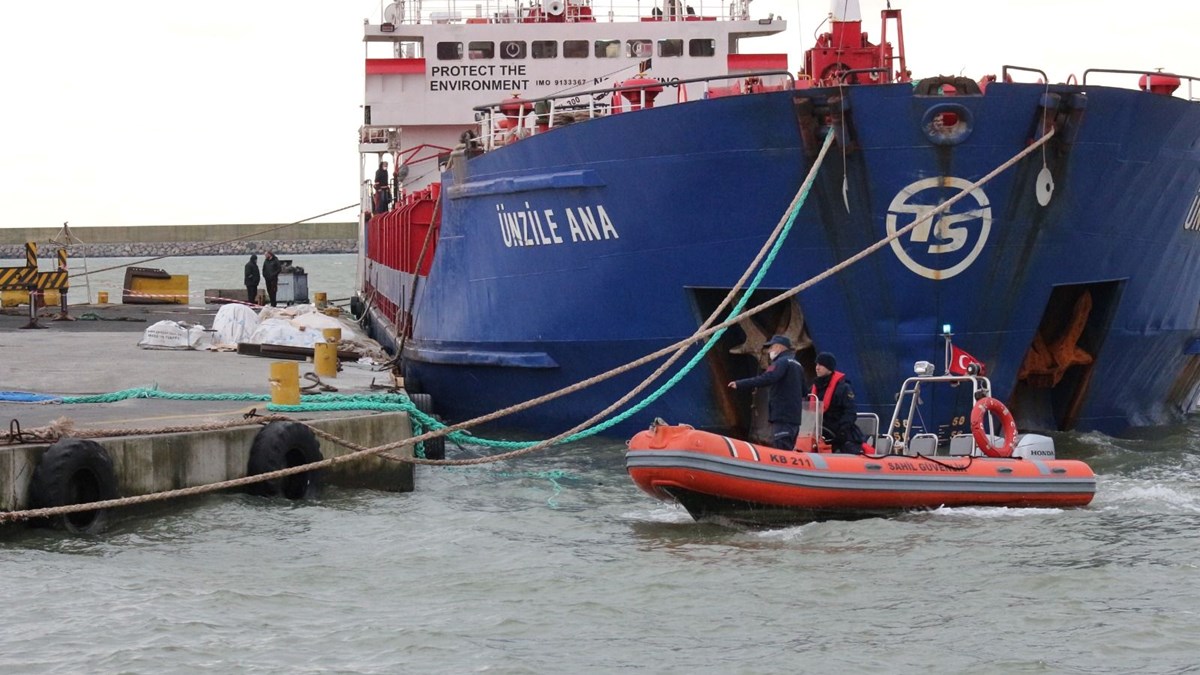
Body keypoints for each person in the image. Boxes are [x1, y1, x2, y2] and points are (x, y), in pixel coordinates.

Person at [727, 335, 806, 450]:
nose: (769, 351)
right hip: (794, 419)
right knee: (789, 448)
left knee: (781, 450)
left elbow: (767, 378)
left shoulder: (781, 363)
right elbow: (804, 391)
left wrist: (740, 384)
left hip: (782, 416)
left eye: (771, 347)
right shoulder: (798, 365)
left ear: (779, 347)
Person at [811, 352, 867, 454]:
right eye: (816, 364)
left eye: (821, 365)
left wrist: (841, 431)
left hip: (840, 433)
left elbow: (850, 412)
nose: (817, 368)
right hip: (820, 432)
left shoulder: (843, 388)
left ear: (829, 368)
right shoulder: (814, 388)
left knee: (848, 448)